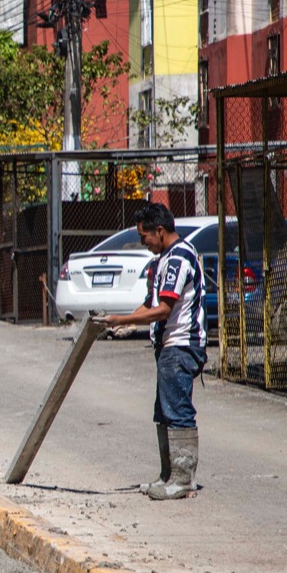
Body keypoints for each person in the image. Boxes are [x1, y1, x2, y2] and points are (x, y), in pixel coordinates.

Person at [96, 202, 206, 500]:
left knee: (178, 411)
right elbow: (150, 303)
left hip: (181, 345)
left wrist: (123, 318)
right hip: (167, 347)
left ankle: (183, 480)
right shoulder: (164, 260)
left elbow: (163, 310)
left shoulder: (179, 258)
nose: (144, 244)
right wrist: (126, 323)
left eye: (145, 237)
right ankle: (168, 475)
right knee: (164, 412)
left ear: (160, 231)